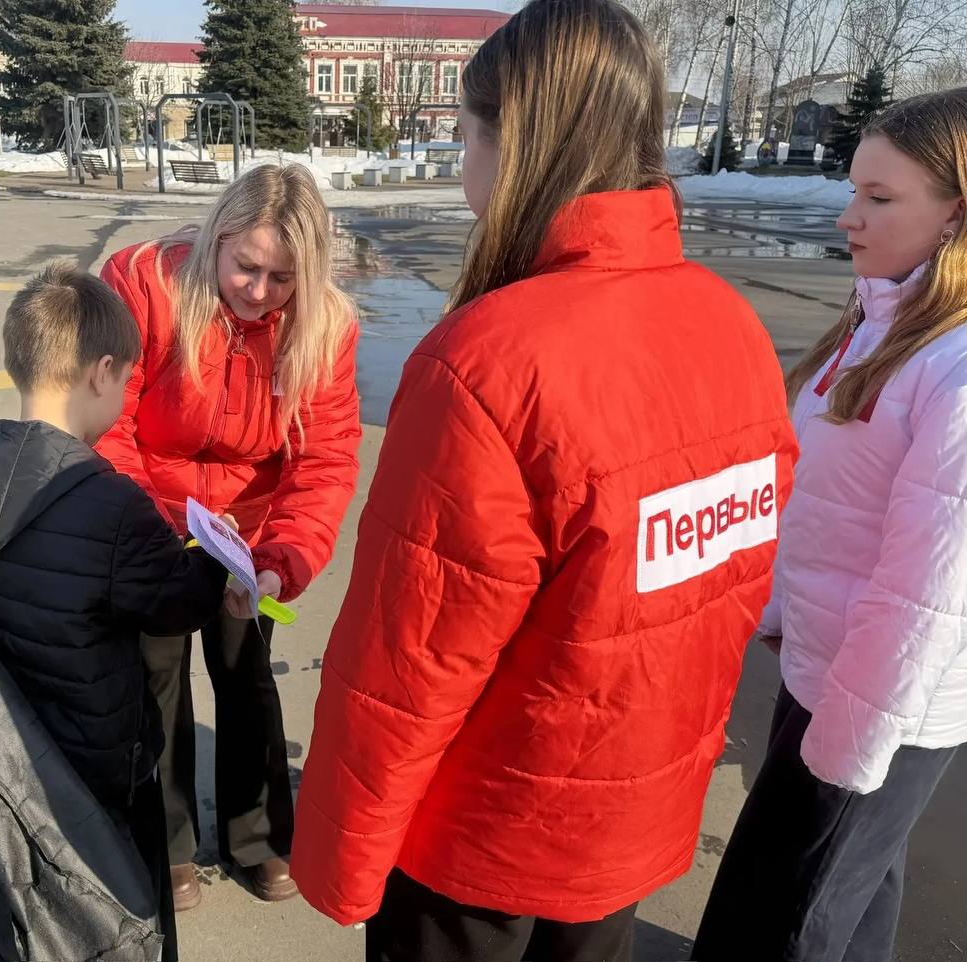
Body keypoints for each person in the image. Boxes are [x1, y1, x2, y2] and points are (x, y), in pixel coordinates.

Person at [289, 1, 798, 959]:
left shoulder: (486, 364)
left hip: (479, 851)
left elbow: (410, 661)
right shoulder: (732, 331)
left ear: (510, 143)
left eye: (465, 137)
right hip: (627, 833)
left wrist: (342, 861)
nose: (463, 164)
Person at [692, 88, 967, 962]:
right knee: (855, 892)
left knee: (780, 919)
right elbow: (824, 500)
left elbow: (927, 598)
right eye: (855, 191)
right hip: (831, 670)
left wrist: (843, 755)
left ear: (958, 214)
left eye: (880, 199)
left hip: (876, 707)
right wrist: (783, 610)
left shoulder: (955, 373)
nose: (849, 218)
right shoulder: (887, 322)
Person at [0, 262, 231, 962]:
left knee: (25, 891)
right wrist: (216, 555)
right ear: (100, 372)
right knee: (119, 897)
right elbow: (177, 604)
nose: (121, 396)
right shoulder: (112, 504)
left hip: (0, 743)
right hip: (99, 761)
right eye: (125, 381)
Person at [95, 164, 361, 911]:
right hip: (150, 512)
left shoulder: (325, 327)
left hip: (249, 532)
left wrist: (282, 562)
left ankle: (259, 837)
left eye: (282, 278)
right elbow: (109, 422)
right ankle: (167, 841)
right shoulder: (144, 283)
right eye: (247, 266)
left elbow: (327, 457)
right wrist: (143, 528)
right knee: (156, 682)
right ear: (216, 238)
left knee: (246, 675)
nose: (259, 291)